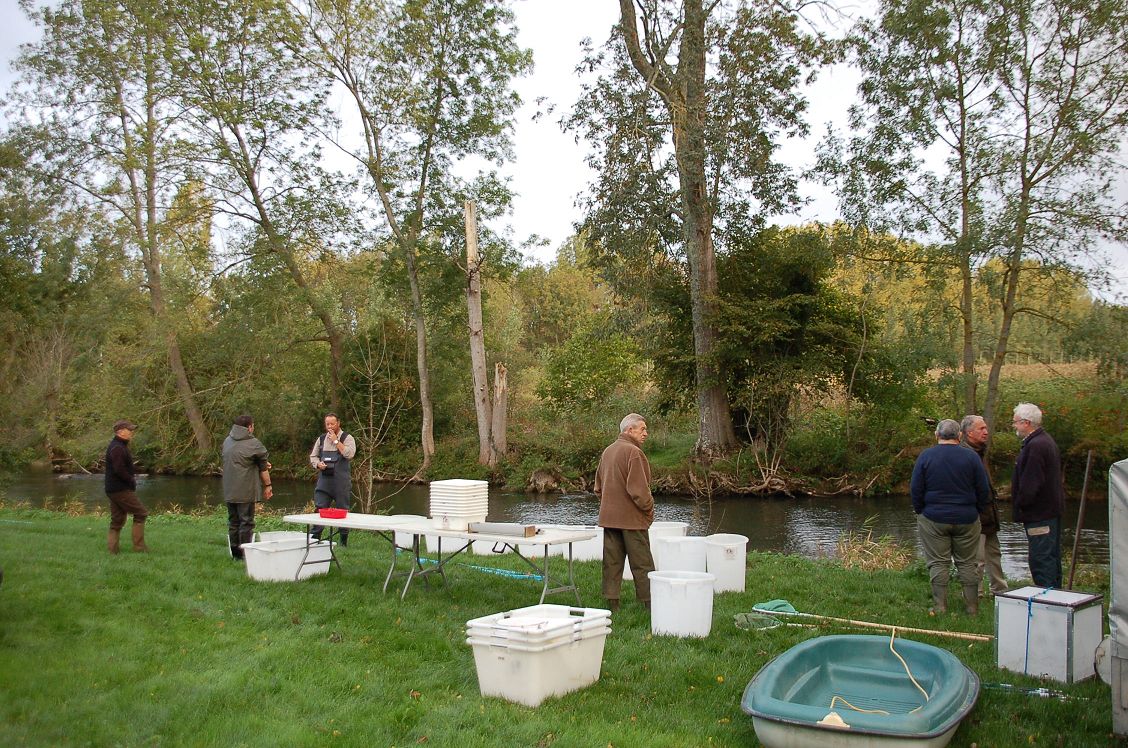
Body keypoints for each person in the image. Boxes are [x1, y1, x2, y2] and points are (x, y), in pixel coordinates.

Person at [911, 419, 990, 614]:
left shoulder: (926, 456)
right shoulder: (971, 457)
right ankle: (972, 608)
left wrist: (920, 510)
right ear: (960, 436)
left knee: (938, 562)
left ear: (937, 435)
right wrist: (976, 509)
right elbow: (983, 489)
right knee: (967, 563)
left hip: (934, 518)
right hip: (967, 518)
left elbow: (916, 488)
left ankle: (940, 606)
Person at [595, 413, 655, 612]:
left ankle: (612, 604)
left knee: (611, 563)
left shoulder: (608, 451)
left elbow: (598, 488)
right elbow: (639, 490)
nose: (646, 433)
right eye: (642, 429)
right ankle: (650, 604)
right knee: (642, 564)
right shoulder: (634, 453)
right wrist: (648, 511)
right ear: (630, 430)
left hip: (609, 519)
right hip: (632, 520)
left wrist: (609, 506)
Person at [1011, 402, 1065, 588]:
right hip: (1048, 512)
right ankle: (1055, 595)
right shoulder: (1045, 441)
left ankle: (1048, 600)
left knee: (1041, 559)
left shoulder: (1035, 446)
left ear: (1027, 423)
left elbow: (1031, 483)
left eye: (1016, 422)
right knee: (1050, 557)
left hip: (1039, 514)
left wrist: (1020, 503)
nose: (1014, 426)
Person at [960, 414, 1008, 597]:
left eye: (986, 428)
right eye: (982, 429)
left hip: (989, 514)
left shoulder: (980, 452)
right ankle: (974, 593)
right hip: (975, 516)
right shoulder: (965, 454)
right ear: (969, 433)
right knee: (976, 559)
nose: (986, 432)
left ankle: (1001, 591)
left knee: (994, 555)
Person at [221, 414, 272, 560]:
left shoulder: (227, 441)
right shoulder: (254, 443)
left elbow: (236, 459)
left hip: (229, 489)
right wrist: (268, 486)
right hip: (246, 490)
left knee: (233, 522)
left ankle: (235, 553)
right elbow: (263, 469)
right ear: (249, 427)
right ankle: (245, 555)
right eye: (253, 425)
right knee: (246, 522)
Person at [309, 413, 356, 546]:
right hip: (324, 482)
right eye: (327, 424)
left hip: (341, 482)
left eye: (332, 424)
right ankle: (313, 540)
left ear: (338, 423)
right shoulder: (321, 438)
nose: (329, 426)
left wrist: (336, 441)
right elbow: (313, 456)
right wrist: (318, 464)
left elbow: (349, 454)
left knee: (342, 510)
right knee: (320, 509)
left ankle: (343, 542)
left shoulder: (347, 438)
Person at [104, 419, 148, 554]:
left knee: (117, 520)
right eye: (129, 430)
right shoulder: (117, 447)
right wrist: (131, 480)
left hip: (113, 488)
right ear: (120, 432)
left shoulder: (118, 446)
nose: (132, 432)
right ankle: (139, 548)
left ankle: (113, 551)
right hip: (120, 489)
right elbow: (119, 469)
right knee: (141, 513)